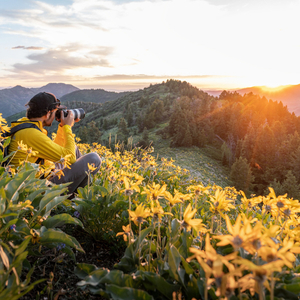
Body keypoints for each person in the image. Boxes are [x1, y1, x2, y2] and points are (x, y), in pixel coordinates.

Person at [8, 92, 101, 194]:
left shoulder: (27, 125)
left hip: (45, 173)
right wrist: (67, 127)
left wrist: (62, 126)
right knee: (94, 159)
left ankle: (76, 195)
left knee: (72, 148)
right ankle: (71, 201)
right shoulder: (31, 134)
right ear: (48, 113)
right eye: (55, 112)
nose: (56, 115)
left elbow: (58, 150)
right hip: (39, 189)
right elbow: (70, 158)